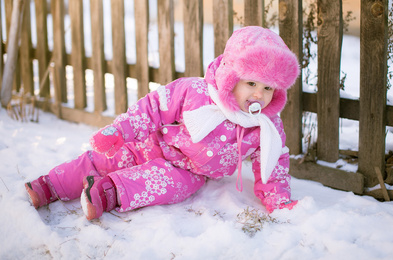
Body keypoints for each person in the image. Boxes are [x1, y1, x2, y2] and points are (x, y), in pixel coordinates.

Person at [25, 26, 300, 220]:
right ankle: (49, 186)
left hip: (189, 172)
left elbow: (274, 165)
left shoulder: (266, 126)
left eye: (268, 88)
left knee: (164, 185)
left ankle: (106, 194)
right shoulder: (195, 92)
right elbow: (154, 106)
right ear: (231, 77)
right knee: (105, 159)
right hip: (152, 143)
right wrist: (120, 131)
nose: (258, 95)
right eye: (251, 83)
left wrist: (278, 199)